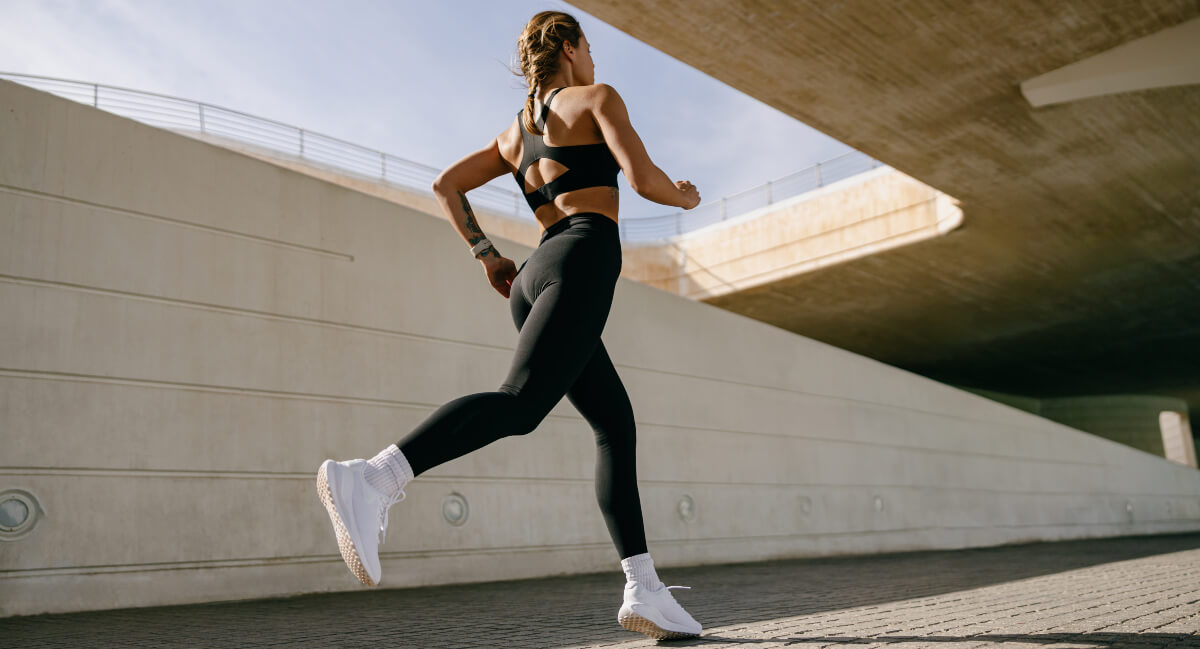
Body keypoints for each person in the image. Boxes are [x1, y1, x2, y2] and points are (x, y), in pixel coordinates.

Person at [316, 10, 703, 641]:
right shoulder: (596, 98)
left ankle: (645, 588)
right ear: (572, 49)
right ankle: (373, 477)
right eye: (591, 48)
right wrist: (683, 197)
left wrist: (485, 254)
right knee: (520, 404)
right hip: (579, 258)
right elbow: (641, 178)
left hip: (534, 273)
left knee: (613, 423)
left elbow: (448, 185)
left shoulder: (515, 134)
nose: (596, 62)